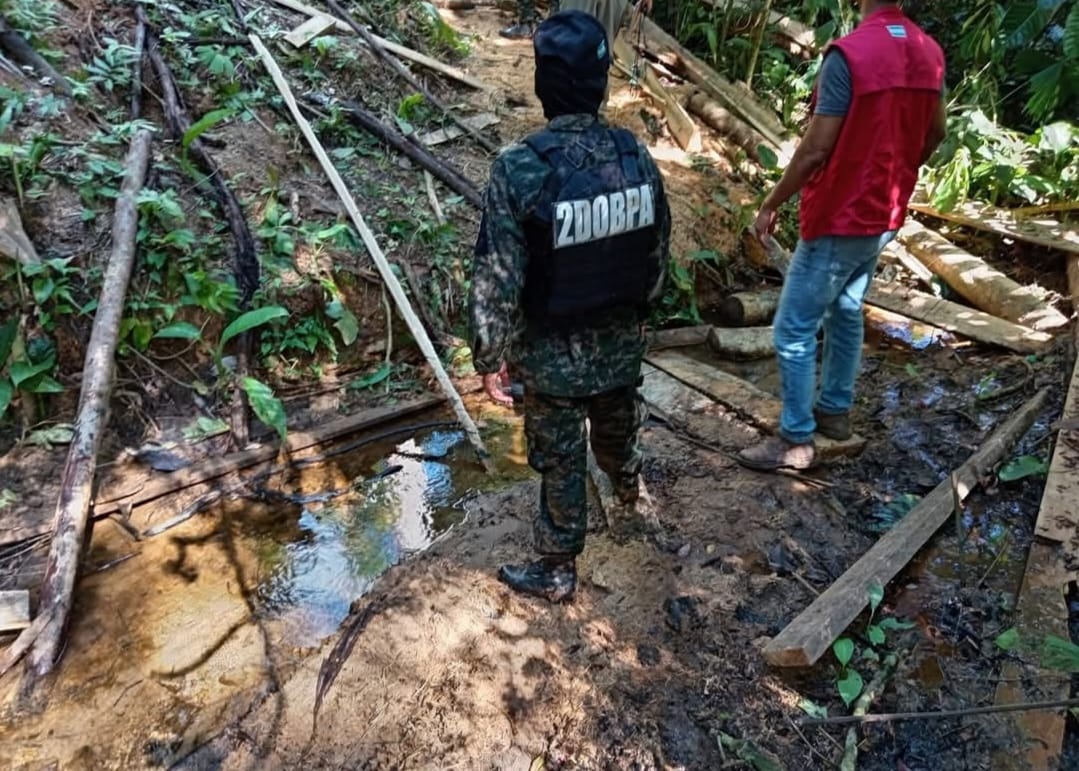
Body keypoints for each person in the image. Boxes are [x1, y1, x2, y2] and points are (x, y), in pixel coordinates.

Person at [471, 10, 671, 603]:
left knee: (560, 458)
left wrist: (489, 355)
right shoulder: (635, 155)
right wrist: (642, 318)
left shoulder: (521, 167)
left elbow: (498, 272)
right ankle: (629, 491)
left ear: (543, 83)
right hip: (619, 344)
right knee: (615, 430)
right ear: (600, 83)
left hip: (552, 358)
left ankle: (558, 567)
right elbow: (658, 253)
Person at [737, 0, 946, 472]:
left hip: (841, 214)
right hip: (885, 214)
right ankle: (834, 411)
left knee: (792, 327)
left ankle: (794, 439)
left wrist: (771, 202)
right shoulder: (929, 52)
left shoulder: (849, 55)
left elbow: (816, 148)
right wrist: (898, 167)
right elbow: (936, 132)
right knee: (846, 310)